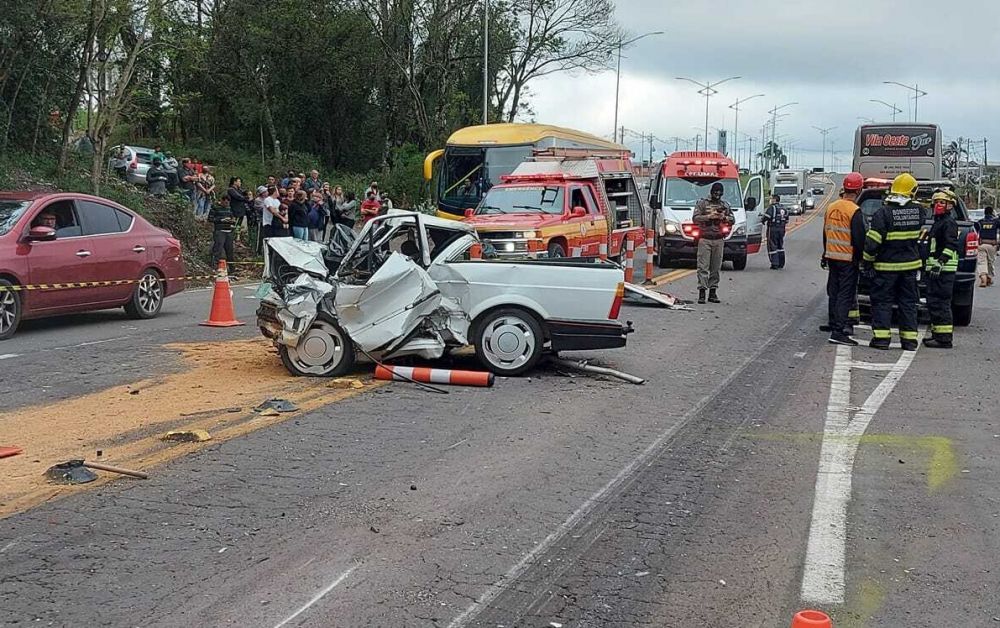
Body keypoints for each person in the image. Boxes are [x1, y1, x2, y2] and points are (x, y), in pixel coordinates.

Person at [862, 173, 923, 351]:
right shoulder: (918, 211)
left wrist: (867, 262)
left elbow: (872, 242)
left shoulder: (883, 212)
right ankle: (909, 341)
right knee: (908, 303)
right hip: (910, 267)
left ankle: (881, 339)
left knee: (882, 302)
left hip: (885, 268)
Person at [820, 172, 867, 345]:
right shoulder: (854, 210)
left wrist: (825, 253)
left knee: (833, 292)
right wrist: (863, 259)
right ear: (859, 189)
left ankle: (833, 323)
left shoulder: (832, 206)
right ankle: (838, 331)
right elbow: (859, 238)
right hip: (848, 259)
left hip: (832, 256)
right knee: (845, 295)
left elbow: (826, 232)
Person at [921, 189, 961, 348]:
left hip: (943, 271)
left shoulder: (948, 223)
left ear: (950, 206)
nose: (938, 205)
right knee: (934, 303)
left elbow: (951, 245)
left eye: (942, 202)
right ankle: (938, 335)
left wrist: (940, 262)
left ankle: (944, 339)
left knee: (941, 304)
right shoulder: (939, 222)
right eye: (936, 202)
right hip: (936, 271)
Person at [692, 181, 735, 304]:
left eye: (720, 193)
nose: (718, 195)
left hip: (718, 239)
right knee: (703, 267)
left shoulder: (724, 205)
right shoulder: (702, 203)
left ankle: (712, 292)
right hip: (705, 238)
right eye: (716, 192)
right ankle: (702, 292)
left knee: (716, 267)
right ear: (711, 192)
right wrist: (709, 217)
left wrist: (724, 217)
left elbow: (732, 219)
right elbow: (695, 218)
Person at [760, 193, 789, 269]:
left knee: (772, 245)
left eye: (771, 199)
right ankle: (781, 263)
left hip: (773, 229)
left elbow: (766, 217)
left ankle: (775, 263)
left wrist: (762, 220)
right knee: (780, 245)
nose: (770, 200)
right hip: (782, 229)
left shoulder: (772, 208)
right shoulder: (783, 208)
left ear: (774, 200)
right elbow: (787, 220)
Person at [208, 194, 236, 265]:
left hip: (229, 231)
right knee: (218, 249)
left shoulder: (229, 208)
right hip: (220, 231)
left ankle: (231, 267)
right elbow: (210, 219)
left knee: (230, 251)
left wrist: (232, 221)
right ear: (222, 201)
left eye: (228, 203)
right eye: (225, 202)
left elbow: (233, 218)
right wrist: (221, 220)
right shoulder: (215, 207)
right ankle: (214, 265)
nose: (227, 204)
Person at [976, 206, 997, 287]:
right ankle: (989, 276)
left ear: (984, 213)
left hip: (981, 245)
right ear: (992, 213)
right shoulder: (996, 222)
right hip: (992, 245)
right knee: (990, 262)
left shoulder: (980, 222)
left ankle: (984, 278)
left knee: (981, 262)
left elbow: (975, 232)